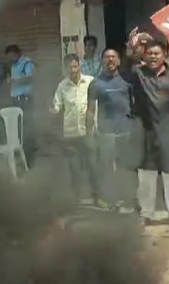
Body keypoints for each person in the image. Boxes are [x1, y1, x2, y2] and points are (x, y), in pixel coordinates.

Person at [130, 37, 169, 229]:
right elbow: (124, 68)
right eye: (149, 53)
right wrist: (131, 47)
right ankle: (146, 213)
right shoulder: (139, 74)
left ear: (165, 55)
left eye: (157, 53)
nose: (153, 57)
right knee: (146, 177)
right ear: (144, 56)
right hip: (147, 133)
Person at [88, 48, 134, 211]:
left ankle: (127, 199)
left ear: (119, 61)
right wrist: (89, 134)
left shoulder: (127, 81)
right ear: (102, 61)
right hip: (105, 132)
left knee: (125, 167)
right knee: (107, 168)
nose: (110, 60)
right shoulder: (95, 84)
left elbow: (134, 105)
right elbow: (90, 110)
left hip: (125, 131)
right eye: (107, 57)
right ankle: (111, 198)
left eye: (113, 57)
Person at [52, 56, 98, 204]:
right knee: (74, 167)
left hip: (88, 132)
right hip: (71, 133)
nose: (73, 70)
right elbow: (57, 105)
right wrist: (52, 109)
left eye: (75, 67)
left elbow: (96, 104)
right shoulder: (62, 86)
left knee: (93, 164)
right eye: (69, 68)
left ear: (79, 66)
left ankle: (98, 195)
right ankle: (79, 197)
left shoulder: (90, 82)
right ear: (65, 69)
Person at [7, 44, 37, 163]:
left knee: (26, 128)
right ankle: (20, 155)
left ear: (17, 53)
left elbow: (30, 77)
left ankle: (29, 156)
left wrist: (15, 80)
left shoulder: (26, 63)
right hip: (16, 99)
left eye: (11, 56)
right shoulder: (14, 65)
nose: (10, 59)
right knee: (18, 129)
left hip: (24, 99)